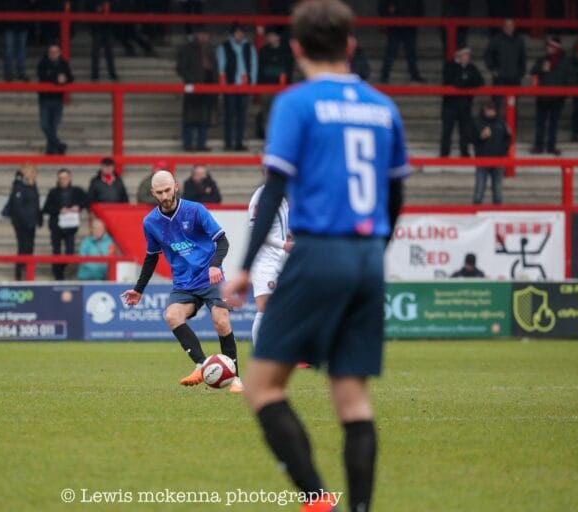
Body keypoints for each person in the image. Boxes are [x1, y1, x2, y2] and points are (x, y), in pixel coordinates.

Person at [222, 1, 409, 511]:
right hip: (367, 256)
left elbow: (275, 192)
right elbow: (394, 199)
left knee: (261, 387)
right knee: (353, 399)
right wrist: (373, 252)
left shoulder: (296, 104)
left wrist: (244, 266)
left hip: (318, 250)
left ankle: (317, 498)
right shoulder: (382, 106)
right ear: (350, 46)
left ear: (296, 47)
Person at [121, 170, 242, 392]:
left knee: (221, 320)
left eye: (168, 190)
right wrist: (139, 290)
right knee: (171, 315)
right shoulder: (150, 222)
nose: (165, 196)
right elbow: (151, 257)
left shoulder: (195, 210)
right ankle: (202, 364)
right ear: (152, 193)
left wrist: (215, 265)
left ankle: (235, 377)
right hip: (184, 283)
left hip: (209, 276)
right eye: (159, 192)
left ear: (175, 186)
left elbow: (222, 241)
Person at [247, 179, 290, 347]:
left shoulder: (284, 197)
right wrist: (283, 244)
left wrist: (287, 236)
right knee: (264, 309)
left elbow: (278, 227)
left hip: (280, 260)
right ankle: (259, 354)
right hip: (264, 261)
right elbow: (255, 230)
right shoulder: (262, 195)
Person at [176, 25, 218, 152]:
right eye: (201, 34)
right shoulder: (187, 49)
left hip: (208, 84)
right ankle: (187, 143)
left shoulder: (210, 50)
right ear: (196, 35)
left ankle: (201, 143)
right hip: (193, 85)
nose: (204, 37)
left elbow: (215, 67)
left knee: (204, 116)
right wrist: (191, 79)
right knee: (190, 117)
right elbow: (181, 68)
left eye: (206, 34)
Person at [217, 24, 258, 151]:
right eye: (237, 33)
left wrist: (252, 83)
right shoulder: (224, 47)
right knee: (229, 114)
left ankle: (239, 142)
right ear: (232, 34)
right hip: (230, 85)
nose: (239, 35)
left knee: (242, 115)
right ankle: (228, 142)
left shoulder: (249, 47)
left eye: (241, 33)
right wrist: (222, 85)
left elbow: (253, 65)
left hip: (244, 85)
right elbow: (221, 66)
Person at [42, 168, 88, 281]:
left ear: (70, 178)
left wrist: (78, 206)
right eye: (61, 178)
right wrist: (59, 210)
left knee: (70, 251)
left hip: (70, 227)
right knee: (56, 251)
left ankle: (61, 269)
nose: (63, 180)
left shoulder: (77, 191)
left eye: (65, 178)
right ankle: (57, 274)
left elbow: (87, 200)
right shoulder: (53, 192)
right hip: (56, 227)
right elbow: (46, 208)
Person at [440, 47, 485, 157]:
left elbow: (480, 81)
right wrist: (465, 80)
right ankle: (444, 153)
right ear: (459, 56)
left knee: (464, 130)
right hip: (450, 104)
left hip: (465, 104)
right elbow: (452, 82)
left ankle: (464, 153)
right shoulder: (449, 66)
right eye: (466, 55)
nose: (468, 57)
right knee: (447, 130)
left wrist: (465, 80)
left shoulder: (471, 67)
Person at [531, 37, 571, 155]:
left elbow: (567, 79)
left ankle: (551, 146)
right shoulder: (542, 59)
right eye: (547, 46)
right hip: (542, 96)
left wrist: (564, 95)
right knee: (540, 123)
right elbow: (533, 72)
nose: (548, 48)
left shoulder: (564, 62)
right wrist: (541, 69)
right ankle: (539, 146)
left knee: (553, 123)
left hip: (557, 98)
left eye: (550, 46)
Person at [1, 163, 42, 281]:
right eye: (33, 171)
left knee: (30, 247)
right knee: (22, 247)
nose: (35, 174)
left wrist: (38, 218)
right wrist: (27, 218)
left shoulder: (33, 185)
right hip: (21, 223)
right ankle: (18, 272)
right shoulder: (19, 186)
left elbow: (35, 204)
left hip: (31, 222)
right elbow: (17, 206)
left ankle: (27, 269)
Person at [472, 100, 510, 205]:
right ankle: (476, 210)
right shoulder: (477, 122)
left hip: (498, 160)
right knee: (479, 190)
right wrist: (481, 137)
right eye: (488, 110)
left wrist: (502, 154)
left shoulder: (501, 122)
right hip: (482, 160)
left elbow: (507, 139)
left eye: (492, 110)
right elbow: (471, 138)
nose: (490, 112)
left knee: (497, 190)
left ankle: (497, 212)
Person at [37, 43, 73, 155]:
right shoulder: (42, 63)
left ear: (60, 53)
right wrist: (57, 79)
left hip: (57, 99)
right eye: (51, 52)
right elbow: (43, 77)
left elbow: (70, 78)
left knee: (54, 125)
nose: (53, 54)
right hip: (45, 98)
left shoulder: (64, 64)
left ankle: (51, 149)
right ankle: (58, 145)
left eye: (56, 52)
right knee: (45, 125)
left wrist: (64, 79)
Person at [258, 27, 294, 138]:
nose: (270, 38)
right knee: (267, 114)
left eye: (272, 35)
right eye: (268, 36)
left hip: (282, 88)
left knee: (282, 114)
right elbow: (261, 69)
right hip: (266, 87)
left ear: (278, 37)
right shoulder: (263, 51)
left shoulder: (286, 52)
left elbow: (288, 69)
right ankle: (268, 138)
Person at [378, 0, 426, 84]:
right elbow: (382, 7)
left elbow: (419, 6)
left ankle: (414, 75)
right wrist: (388, 16)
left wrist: (417, 18)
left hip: (410, 24)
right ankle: (384, 75)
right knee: (391, 51)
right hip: (394, 25)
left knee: (411, 51)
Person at [483, 19, 526, 111]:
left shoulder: (519, 40)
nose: (509, 28)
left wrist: (521, 72)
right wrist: (493, 69)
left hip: (515, 78)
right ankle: (495, 124)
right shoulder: (496, 39)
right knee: (496, 104)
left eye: (511, 26)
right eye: (507, 26)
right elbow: (487, 54)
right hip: (500, 78)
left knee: (513, 105)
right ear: (503, 27)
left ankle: (512, 125)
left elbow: (523, 58)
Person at [0, 0, 31, 81]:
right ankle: (8, 72)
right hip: (10, 24)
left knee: (21, 50)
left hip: (22, 23)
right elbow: (0, 4)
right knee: (9, 49)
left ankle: (21, 72)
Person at [87, 0, 119, 81]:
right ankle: (95, 74)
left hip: (108, 28)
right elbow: (88, 8)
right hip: (96, 27)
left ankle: (112, 73)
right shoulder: (93, 2)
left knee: (109, 52)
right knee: (95, 52)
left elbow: (116, 9)